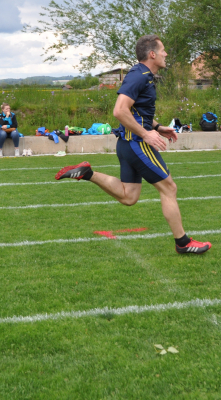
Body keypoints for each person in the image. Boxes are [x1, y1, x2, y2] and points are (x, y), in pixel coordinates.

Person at [55, 34, 211, 255]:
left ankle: (88, 173)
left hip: (127, 144)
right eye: (163, 50)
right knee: (169, 188)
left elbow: (137, 112)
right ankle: (183, 243)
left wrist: (157, 127)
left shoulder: (143, 75)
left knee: (129, 196)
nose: (166, 54)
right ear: (152, 54)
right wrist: (146, 134)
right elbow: (120, 111)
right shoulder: (139, 76)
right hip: (137, 143)